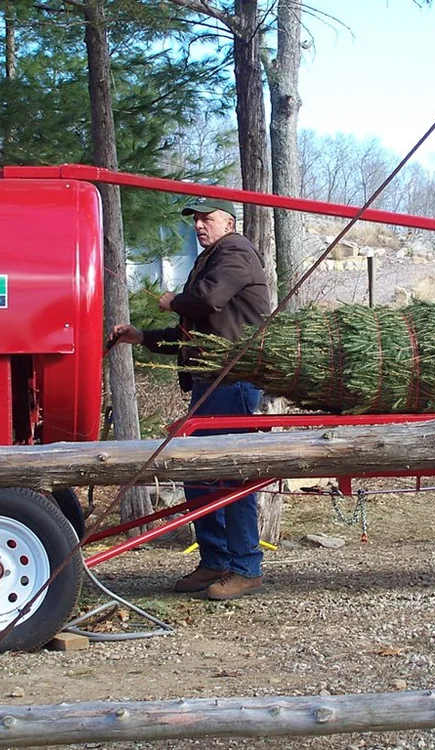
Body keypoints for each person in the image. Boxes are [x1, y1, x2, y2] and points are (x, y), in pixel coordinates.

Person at [107, 197, 271, 601]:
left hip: (233, 381)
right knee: (198, 473)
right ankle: (215, 559)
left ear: (228, 222)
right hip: (209, 382)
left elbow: (205, 301)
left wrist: (171, 301)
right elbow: (191, 333)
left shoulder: (235, 252)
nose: (199, 226)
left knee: (231, 473)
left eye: (207, 218)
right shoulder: (211, 258)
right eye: (196, 220)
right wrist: (142, 336)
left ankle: (246, 567)